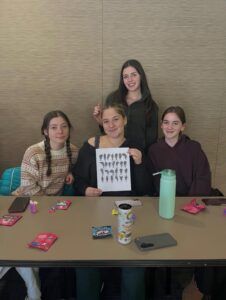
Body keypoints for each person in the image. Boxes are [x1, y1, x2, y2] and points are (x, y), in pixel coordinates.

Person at [73, 103, 149, 300]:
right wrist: (85, 189)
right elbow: (78, 179)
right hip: (96, 210)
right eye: (106, 121)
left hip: (129, 211)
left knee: (134, 263)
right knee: (86, 262)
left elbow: (144, 189)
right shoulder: (91, 145)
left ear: (124, 120)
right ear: (101, 124)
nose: (111, 125)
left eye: (116, 119)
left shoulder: (135, 146)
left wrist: (139, 163)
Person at [10, 110, 78, 300]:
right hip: (26, 206)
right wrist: (49, 211)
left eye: (64, 126)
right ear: (45, 131)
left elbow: (75, 170)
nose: (60, 131)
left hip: (53, 210)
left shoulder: (73, 150)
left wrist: (71, 174)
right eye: (54, 127)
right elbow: (28, 187)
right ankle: (33, 290)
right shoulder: (33, 152)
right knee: (21, 249)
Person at [147, 106, 211, 299]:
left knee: (183, 254)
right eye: (166, 122)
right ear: (161, 125)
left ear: (183, 126)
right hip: (163, 207)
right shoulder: (154, 150)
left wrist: (187, 206)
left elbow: (202, 179)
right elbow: (151, 182)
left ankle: (177, 288)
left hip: (188, 208)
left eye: (175, 123)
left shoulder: (194, 148)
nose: (169, 127)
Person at [93, 59, 159, 153]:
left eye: (134, 75)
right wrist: (100, 121)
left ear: (141, 76)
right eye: (125, 76)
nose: (130, 80)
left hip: (138, 156)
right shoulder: (113, 99)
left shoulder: (151, 106)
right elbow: (108, 131)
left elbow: (152, 141)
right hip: (114, 154)